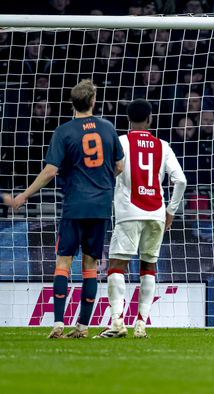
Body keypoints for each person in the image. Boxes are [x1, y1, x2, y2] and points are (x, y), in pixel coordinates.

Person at [11, 79, 125, 339]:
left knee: (63, 263)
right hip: (100, 207)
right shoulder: (108, 128)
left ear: (72, 104)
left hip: (74, 205)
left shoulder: (63, 131)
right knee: (90, 267)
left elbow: (50, 171)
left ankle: (58, 324)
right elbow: (119, 166)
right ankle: (83, 327)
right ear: (93, 101)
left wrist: (24, 195)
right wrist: (103, 184)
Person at [94, 99, 187, 339]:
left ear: (128, 119)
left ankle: (117, 322)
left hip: (128, 213)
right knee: (149, 268)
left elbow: (106, 175)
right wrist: (171, 211)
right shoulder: (163, 146)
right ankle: (141, 325)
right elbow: (181, 181)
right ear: (150, 119)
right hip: (156, 213)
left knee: (116, 265)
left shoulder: (120, 143)